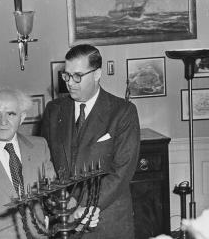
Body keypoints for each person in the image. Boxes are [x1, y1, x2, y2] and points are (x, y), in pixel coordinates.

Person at [0, 88, 99, 238]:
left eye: (11, 114)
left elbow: (54, 194)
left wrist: (76, 213)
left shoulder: (39, 147)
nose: (3, 121)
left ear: (22, 118)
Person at [41, 44, 140, 238]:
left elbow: (122, 171)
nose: (70, 82)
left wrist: (82, 206)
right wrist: (66, 205)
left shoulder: (123, 112)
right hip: (65, 220)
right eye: (66, 75)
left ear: (97, 74)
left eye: (78, 76)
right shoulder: (54, 110)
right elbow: (46, 163)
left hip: (107, 220)